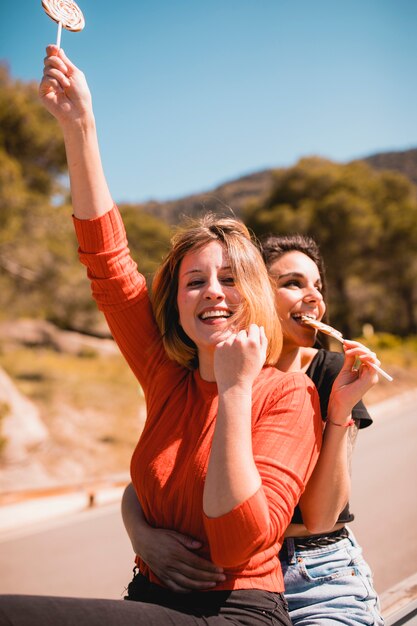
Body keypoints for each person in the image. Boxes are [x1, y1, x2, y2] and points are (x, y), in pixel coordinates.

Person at [0, 47, 323, 626]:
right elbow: (107, 263)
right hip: (149, 599)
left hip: (235, 613)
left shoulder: (287, 395)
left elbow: (234, 546)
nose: (212, 292)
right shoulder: (165, 376)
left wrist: (233, 391)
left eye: (229, 278)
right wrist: (80, 126)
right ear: (176, 303)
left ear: (253, 294)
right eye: (194, 282)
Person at [121, 234, 384, 625]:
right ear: (256, 289)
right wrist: (141, 533)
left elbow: (321, 517)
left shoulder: (331, 373)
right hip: (232, 585)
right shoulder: (206, 372)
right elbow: (163, 479)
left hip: (315, 573)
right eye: (293, 283)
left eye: (318, 286)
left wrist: (338, 413)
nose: (313, 297)